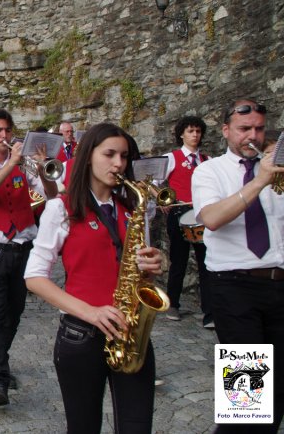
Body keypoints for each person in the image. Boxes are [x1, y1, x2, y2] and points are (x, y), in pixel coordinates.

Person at [25, 122, 165, 433]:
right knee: (83, 427)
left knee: (137, 427)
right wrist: (90, 311)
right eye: (110, 154)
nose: (119, 164)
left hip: (129, 331)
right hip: (85, 334)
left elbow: (140, 275)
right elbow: (34, 276)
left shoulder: (132, 209)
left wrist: (155, 263)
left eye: (124, 156)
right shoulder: (62, 207)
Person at [192, 99, 284, 433]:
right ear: (226, 130)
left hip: (280, 283)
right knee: (247, 399)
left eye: (259, 129)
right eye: (245, 129)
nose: (253, 136)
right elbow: (212, 218)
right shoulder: (210, 170)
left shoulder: (278, 166)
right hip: (235, 287)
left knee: (277, 396)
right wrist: (259, 181)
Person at [0, 108, 58, 406]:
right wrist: (12, 163)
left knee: (14, 314)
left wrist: (43, 168)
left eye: (7, 130)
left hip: (24, 249)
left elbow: (51, 195)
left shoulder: (24, 164)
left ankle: (0, 365)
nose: (4, 136)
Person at [159, 116, 213, 327]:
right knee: (178, 261)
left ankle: (209, 310)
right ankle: (173, 304)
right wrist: (161, 197)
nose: (195, 135)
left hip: (201, 213)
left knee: (205, 262)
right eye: (191, 131)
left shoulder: (208, 160)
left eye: (198, 131)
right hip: (179, 211)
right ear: (182, 134)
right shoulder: (171, 157)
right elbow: (153, 181)